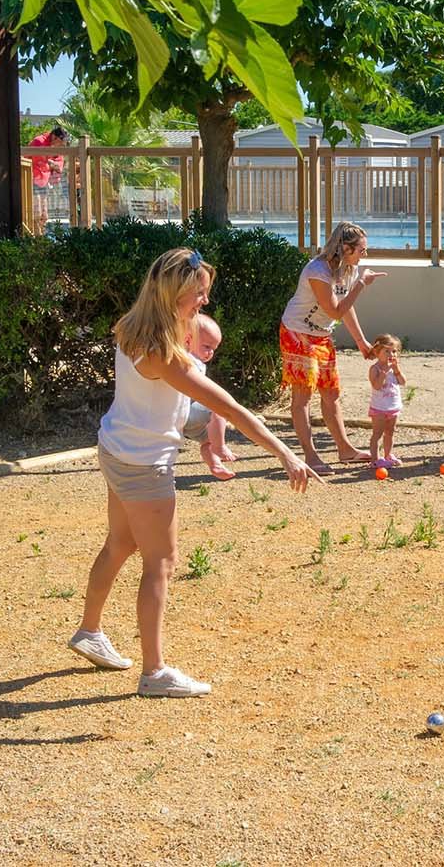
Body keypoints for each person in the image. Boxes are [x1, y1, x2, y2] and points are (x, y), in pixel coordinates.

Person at [70, 248, 319, 698]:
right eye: (199, 294)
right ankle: (154, 672)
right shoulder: (168, 356)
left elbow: (170, 404)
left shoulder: (130, 327)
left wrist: (206, 439)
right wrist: (286, 453)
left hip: (116, 448)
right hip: (144, 465)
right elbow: (233, 409)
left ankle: (89, 631)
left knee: (120, 543)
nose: (205, 301)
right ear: (174, 294)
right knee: (161, 562)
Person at [279, 222, 386, 476]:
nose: (364, 255)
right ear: (346, 248)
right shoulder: (318, 270)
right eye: (361, 250)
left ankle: (345, 449)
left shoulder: (349, 269)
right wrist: (361, 284)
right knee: (302, 396)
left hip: (321, 335)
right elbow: (335, 311)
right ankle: (310, 455)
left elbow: (345, 307)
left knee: (331, 393)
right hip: (297, 332)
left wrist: (361, 341)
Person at [184, 313, 236, 481]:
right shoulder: (188, 359)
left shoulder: (190, 359)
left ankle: (215, 464)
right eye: (206, 346)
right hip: (187, 411)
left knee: (207, 441)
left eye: (213, 349)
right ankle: (219, 447)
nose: (210, 353)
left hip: (186, 418)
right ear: (188, 340)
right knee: (218, 407)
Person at [366, 334, 406, 468]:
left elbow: (403, 382)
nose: (391, 354)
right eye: (387, 351)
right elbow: (376, 386)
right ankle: (375, 460)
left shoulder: (394, 369)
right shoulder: (375, 369)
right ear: (377, 352)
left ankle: (388, 455)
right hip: (379, 408)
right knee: (377, 434)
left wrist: (397, 370)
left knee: (390, 432)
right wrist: (383, 373)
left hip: (393, 407)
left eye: (394, 351)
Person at [28, 126, 69, 224]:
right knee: (36, 212)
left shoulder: (56, 147)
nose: (61, 146)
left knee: (44, 214)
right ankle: (35, 232)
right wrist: (51, 163)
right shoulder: (39, 142)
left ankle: (41, 232)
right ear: (54, 137)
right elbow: (39, 162)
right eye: (60, 143)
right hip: (31, 178)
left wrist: (52, 163)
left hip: (43, 181)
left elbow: (59, 165)